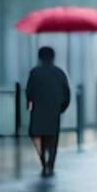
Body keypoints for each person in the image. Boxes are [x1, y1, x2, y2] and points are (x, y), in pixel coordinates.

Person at [26, 46, 71, 178]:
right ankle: (50, 163)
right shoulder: (59, 73)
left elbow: (29, 92)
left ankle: (43, 161)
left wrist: (30, 105)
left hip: (38, 111)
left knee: (38, 136)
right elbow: (67, 94)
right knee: (52, 138)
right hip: (53, 111)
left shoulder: (34, 73)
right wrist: (61, 108)